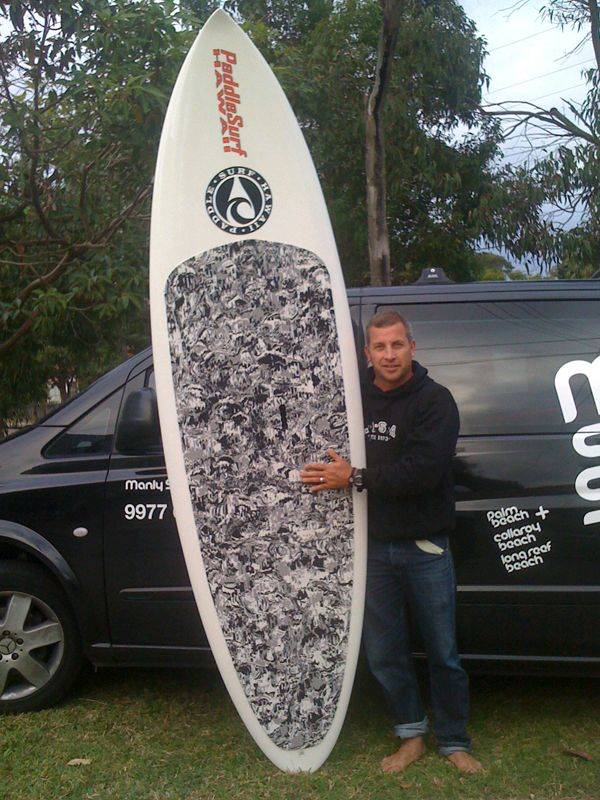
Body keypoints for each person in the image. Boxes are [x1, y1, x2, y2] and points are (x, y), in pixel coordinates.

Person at [300, 309, 483, 774]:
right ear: (367, 353)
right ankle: (410, 734)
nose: (388, 355)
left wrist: (355, 477)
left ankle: (454, 741)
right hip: (373, 550)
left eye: (397, 344)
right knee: (384, 652)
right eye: (379, 347)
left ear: (412, 347)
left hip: (426, 547)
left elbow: (423, 472)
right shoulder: (350, 400)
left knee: (443, 651)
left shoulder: (435, 401)